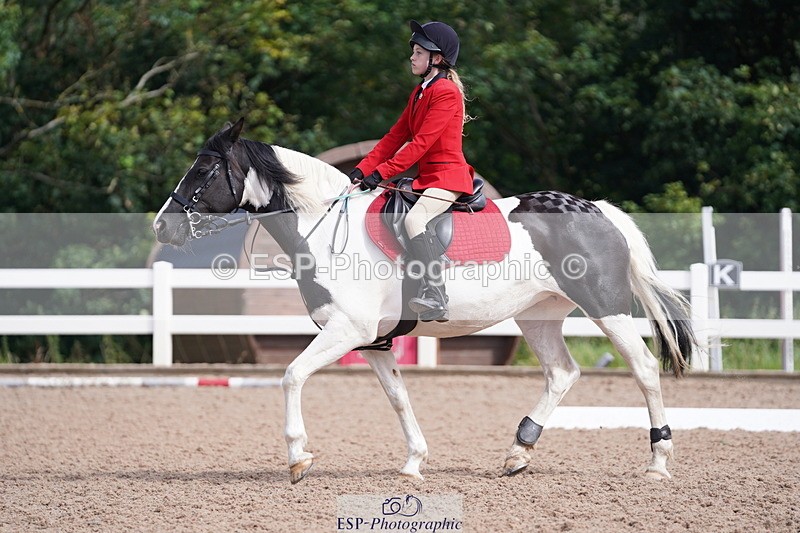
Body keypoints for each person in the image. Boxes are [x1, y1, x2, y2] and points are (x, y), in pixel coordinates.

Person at [349, 20, 474, 322]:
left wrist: (381, 174)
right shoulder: (421, 92)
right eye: (414, 52)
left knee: (415, 219)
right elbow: (394, 136)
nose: (412, 57)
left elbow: (419, 144)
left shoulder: (445, 92)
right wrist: (361, 170)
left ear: (437, 58)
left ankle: (436, 294)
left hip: (448, 177)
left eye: (419, 52)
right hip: (427, 178)